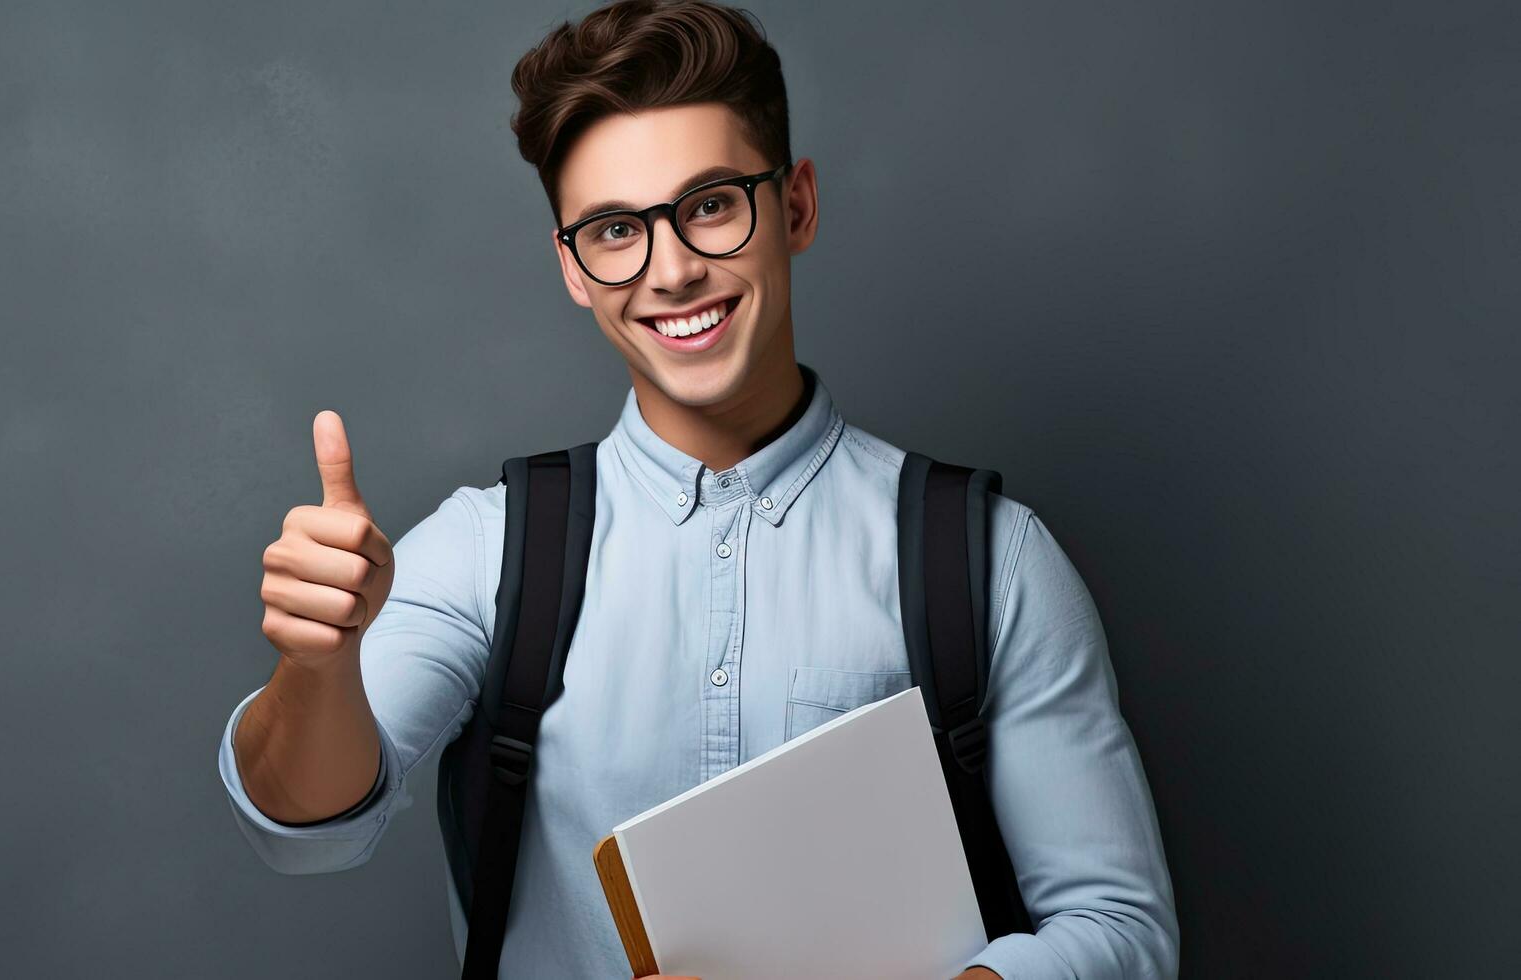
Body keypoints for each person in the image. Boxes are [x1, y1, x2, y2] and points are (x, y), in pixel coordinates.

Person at [215, 1, 1178, 976]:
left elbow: (1121, 930)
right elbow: (306, 826)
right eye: (613, 229)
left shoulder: (988, 557)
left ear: (794, 205)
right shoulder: (485, 549)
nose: (669, 270)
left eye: (711, 203)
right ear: (571, 267)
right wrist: (316, 670)